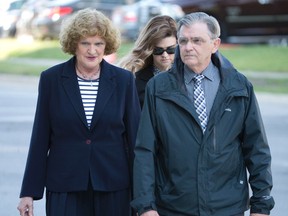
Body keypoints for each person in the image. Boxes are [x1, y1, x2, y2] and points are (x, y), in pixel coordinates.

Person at [131, 12, 275, 216]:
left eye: (197, 40)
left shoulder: (239, 86)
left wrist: (261, 204)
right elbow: (145, 150)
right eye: (183, 41)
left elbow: (256, 149)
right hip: (173, 206)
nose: (188, 47)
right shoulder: (158, 88)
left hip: (227, 207)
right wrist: (146, 206)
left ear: (215, 44)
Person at [17, 8, 141, 216]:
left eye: (98, 44)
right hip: (65, 185)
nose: (92, 50)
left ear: (106, 45)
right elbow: (40, 138)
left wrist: (143, 197)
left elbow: (135, 138)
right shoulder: (51, 79)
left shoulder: (123, 81)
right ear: (74, 44)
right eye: (85, 43)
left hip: (113, 185)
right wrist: (28, 192)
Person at [118, 15, 177, 108]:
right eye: (158, 50)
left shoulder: (187, 76)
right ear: (149, 49)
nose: (165, 55)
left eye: (171, 49)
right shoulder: (135, 82)